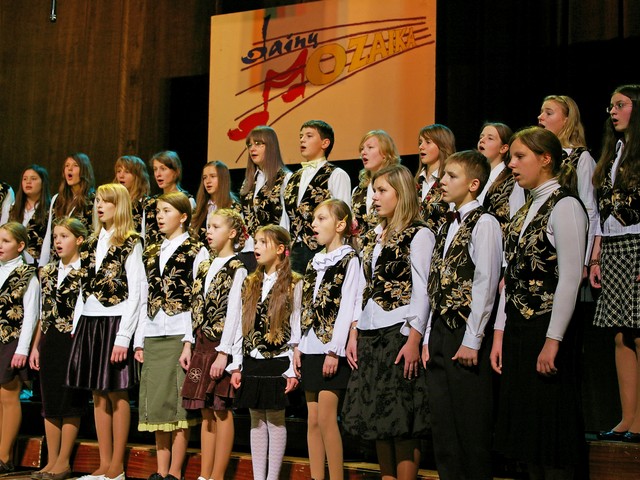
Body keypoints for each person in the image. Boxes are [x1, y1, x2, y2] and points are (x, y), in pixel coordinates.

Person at [491, 127, 587, 479]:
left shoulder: (565, 206)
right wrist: (500, 333)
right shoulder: (526, 209)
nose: (512, 164)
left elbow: (570, 278)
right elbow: (511, 278)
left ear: (546, 159)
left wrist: (553, 340)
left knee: (550, 431)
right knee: (525, 434)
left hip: (546, 328)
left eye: (520, 157)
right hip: (519, 329)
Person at [343, 165, 433, 480]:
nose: (375, 198)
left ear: (401, 193)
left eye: (382, 191)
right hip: (371, 331)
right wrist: (354, 331)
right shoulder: (375, 236)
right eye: (374, 191)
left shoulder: (419, 233)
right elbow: (364, 287)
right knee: (378, 419)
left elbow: (423, 290)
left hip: (398, 332)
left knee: (402, 419)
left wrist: (414, 339)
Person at [424, 150, 502, 480]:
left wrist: (473, 339)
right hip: (441, 331)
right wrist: (428, 337)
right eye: (443, 175)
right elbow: (436, 284)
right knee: (443, 426)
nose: (442, 181)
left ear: (473, 184)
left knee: (470, 426)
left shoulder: (484, 223)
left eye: (451, 176)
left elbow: (485, 283)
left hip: (465, 332)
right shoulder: (447, 225)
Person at [66, 183, 144, 480]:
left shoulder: (131, 242)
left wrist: (124, 336)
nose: (99, 206)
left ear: (118, 205)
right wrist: (78, 324)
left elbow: (136, 293)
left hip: (115, 321)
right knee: (98, 394)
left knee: (116, 393)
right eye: (97, 200)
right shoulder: (89, 242)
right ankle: (104, 463)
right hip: (91, 321)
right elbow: (82, 288)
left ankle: (117, 467)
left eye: (106, 201)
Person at [134, 191, 209, 480]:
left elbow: (198, 300)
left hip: (180, 332)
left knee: (178, 404)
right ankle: (161, 469)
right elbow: (144, 296)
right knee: (157, 402)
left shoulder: (196, 250)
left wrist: (189, 341)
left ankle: (175, 472)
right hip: (154, 332)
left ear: (183, 216)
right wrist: (139, 340)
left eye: (166, 211)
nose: (160, 216)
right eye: (158, 212)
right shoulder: (151, 251)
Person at [293, 199, 360, 480]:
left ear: (340, 225)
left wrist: (335, 350)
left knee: (326, 418)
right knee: (312, 420)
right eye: (314, 219)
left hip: (331, 347)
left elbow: (348, 306)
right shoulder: (314, 260)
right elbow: (302, 305)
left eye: (321, 219)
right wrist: (297, 345)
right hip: (310, 345)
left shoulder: (349, 260)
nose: (314, 224)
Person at [231, 225, 302, 480]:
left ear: (281, 249)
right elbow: (240, 325)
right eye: (256, 242)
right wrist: (236, 363)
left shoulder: (294, 282)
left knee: (275, 418)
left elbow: (296, 325)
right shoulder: (251, 282)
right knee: (256, 419)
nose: (256, 247)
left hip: (278, 359)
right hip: (253, 359)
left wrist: (292, 368)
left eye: (263, 242)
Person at [182, 209, 248, 480]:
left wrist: (225, 353)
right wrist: (188, 343)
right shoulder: (204, 265)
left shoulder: (237, 268)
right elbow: (193, 305)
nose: (208, 232)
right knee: (205, 411)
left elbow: (235, 314)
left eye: (216, 227)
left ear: (232, 233)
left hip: (220, 345)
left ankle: (218, 475)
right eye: (208, 227)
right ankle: (205, 474)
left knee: (221, 409)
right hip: (201, 343)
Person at [590, 84, 640, 443]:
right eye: (611, 105)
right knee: (621, 335)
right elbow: (599, 212)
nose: (613, 111)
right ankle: (628, 417)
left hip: (637, 244)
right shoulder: (613, 152)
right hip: (613, 247)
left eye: (620, 105)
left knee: (639, 334)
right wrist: (596, 256)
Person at [29, 218, 90, 480]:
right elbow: (43, 313)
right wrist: (35, 347)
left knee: (70, 401)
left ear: (79, 239)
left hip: (73, 339)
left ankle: (64, 461)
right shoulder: (48, 271)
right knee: (50, 401)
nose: (57, 242)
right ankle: (51, 460)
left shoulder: (86, 270)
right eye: (55, 237)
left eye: (64, 236)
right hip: (50, 340)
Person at [538, 95, 599, 269]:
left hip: (566, 247)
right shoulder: (539, 158)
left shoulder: (581, 158)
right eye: (541, 112)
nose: (540, 117)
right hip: (539, 245)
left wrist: (584, 261)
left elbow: (589, 209)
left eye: (549, 113)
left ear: (566, 120)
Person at [283, 120, 351, 273]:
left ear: (325, 143)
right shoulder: (293, 178)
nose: (302, 140)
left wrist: (337, 254)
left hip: (322, 250)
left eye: (309, 136)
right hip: (295, 252)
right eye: (301, 136)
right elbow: (286, 219)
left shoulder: (336, 174)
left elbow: (343, 216)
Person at [0, 222, 39, 474]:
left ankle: (4, 456)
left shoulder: (27, 275)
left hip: (11, 340)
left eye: (6, 241)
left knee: (8, 396)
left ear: (20, 245)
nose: (0, 246)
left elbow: (31, 316)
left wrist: (22, 349)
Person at [239, 126, 292, 272]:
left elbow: (286, 219)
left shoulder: (285, 178)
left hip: (272, 252)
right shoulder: (249, 181)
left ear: (270, 146)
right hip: (249, 250)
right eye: (249, 145)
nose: (252, 149)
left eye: (258, 144)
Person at [40, 153, 95, 267]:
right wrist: (42, 265)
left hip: (80, 264)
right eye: (67, 166)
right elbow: (48, 236)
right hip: (56, 263)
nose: (70, 169)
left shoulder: (93, 200)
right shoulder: (57, 199)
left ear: (84, 170)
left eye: (75, 165)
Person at [476, 123, 525, 235]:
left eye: (490, 138)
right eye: (481, 137)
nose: (482, 140)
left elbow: (516, 218)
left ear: (503, 148)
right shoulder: (475, 177)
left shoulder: (511, 180)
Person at [351, 130, 401, 235]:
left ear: (385, 153)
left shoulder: (397, 185)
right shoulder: (358, 191)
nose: (363, 152)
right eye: (362, 149)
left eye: (370, 147)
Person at [146, 151, 195, 246]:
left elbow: (191, 232)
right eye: (155, 169)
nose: (158, 174)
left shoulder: (187, 200)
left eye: (163, 169)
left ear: (176, 171)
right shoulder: (150, 203)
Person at [415, 124, 455, 234]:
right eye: (420, 142)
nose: (421, 147)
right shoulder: (415, 182)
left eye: (428, 142)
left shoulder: (449, 182)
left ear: (443, 145)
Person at [9, 164, 51, 266]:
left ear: (43, 183)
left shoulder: (50, 209)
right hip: (12, 262)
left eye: (33, 179)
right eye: (25, 179)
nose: (28, 182)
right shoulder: (14, 208)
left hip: (37, 264)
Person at [191, 161, 241, 245]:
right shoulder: (199, 208)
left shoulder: (234, 208)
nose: (208, 181)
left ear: (223, 179)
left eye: (212, 176)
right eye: (205, 178)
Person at [114, 156, 151, 240]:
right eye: (119, 171)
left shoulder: (146, 204)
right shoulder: (112, 201)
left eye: (127, 172)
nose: (121, 176)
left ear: (138, 176)